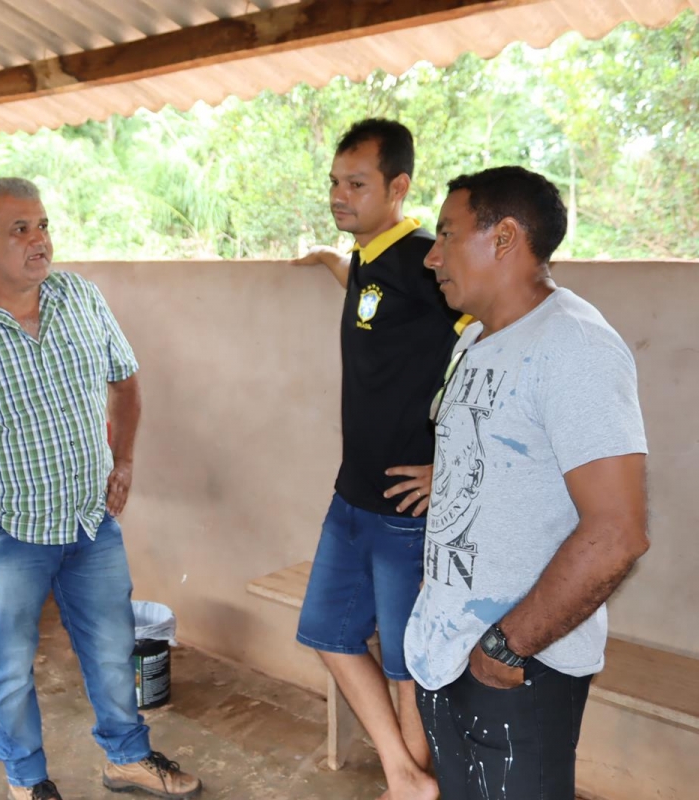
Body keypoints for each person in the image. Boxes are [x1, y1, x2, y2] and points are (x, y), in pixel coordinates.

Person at [0, 177, 200, 800]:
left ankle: (127, 759)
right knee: (12, 664)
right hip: (4, 530)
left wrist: (124, 460)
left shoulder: (80, 297)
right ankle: (26, 781)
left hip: (89, 518)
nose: (38, 240)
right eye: (20, 229)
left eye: (43, 225)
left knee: (112, 648)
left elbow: (125, 379)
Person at [406, 165, 649, 799]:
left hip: (516, 668)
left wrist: (506, 648)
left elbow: (617, 533)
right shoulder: (475, 339)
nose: (432, 256)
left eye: (447, 234)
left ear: (505, 237)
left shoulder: (576, 346)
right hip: (448, 651)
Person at [291, 119, 470, 799]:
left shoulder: (427, 261)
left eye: (356, 184)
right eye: (335, 182)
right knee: (327, 632)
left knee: (406, 665)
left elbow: (493, 339)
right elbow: (374, 303)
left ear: (398, 187)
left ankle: (411, 784)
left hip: (404, 508)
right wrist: (328, 261)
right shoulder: (369, 257)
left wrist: (451, 465)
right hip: (352, 497)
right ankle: (406, 776)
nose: (339, 195)